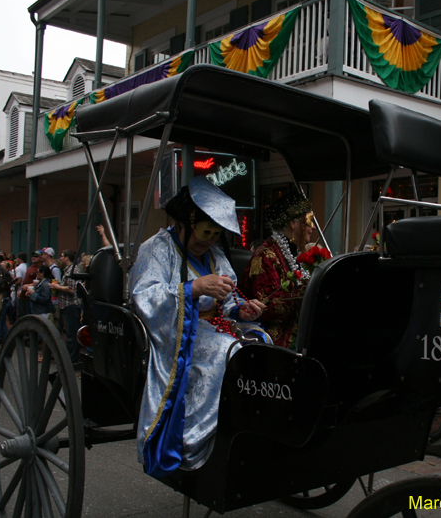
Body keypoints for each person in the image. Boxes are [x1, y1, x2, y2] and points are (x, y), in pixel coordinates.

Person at [131, 176, 268, 476]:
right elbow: (143, 298)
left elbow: (229, 303)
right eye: (205, 232)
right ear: (185, 223)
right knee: (224, 350)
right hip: (173, 333)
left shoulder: (215, 255)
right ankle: (193, 442)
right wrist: (192, 288)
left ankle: (249, 426)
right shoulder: (156, 248)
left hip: (215, 325)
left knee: (260, 339)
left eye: (215, 234)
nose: (208, 241)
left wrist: (243, 312)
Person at [241, 190, 315, 349]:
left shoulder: (298, 252)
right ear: (293, 223)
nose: (313, 227)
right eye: (309, 221)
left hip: (299, 325)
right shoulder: (265, 257)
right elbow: (268, 307)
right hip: (275, 334)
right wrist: (309, 292)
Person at [54, 249, 82, 364]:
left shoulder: (72, 270)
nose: (60, 258)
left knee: (72, 333)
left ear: (67, 258)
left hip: (71, 305)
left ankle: (72, 359)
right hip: (66, 305)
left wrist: (56, 287)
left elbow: (71, 289)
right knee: (69, 332)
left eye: (61, 256)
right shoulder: (67, 270)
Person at [17, 251, 43, 320]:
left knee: (28, 318)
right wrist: (21, 290)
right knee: (21, 317)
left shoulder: (41, 268)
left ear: (41, 258)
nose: (33, 258)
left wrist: (28, 286)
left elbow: (40, 282)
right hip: (23, 296)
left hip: (30, 298)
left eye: (36, 256)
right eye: (33, 256)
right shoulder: (30, 266)